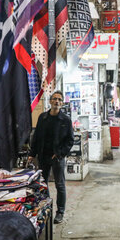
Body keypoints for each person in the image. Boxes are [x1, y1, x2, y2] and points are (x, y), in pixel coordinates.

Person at [28, 90, 74, 224]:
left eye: (59, 100)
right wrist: (32, 154)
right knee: (43, 184)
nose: (57, 102)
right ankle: (47, 208)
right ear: (50, 101)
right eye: (55, 99)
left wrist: (60, 153)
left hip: (57, 157)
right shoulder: (42, 118)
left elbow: (70, 140)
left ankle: (60, 212)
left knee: (60, 185)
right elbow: (36, 138)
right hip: (43, 156)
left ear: (62, 103)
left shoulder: (65, 120)